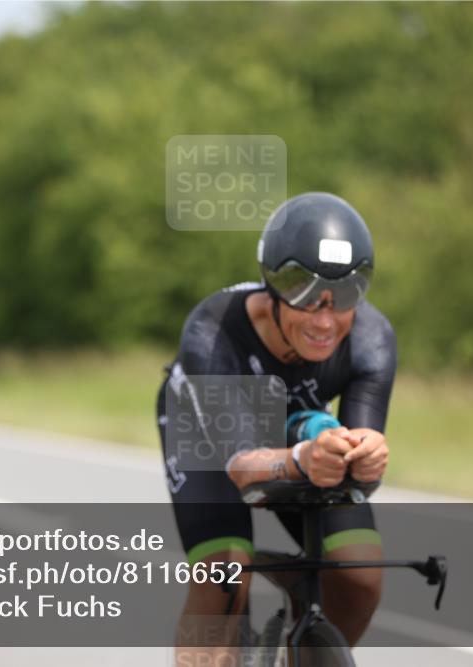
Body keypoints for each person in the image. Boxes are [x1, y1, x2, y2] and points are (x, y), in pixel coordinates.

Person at [156, 192, 395, 663]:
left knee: (360, 575)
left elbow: (363, 469)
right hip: (207, 427)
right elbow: (244, 470)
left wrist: (366, 456)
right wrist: (305, 460)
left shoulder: (372, 340)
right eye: (307, 298)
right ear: (275, 290)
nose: (325, 321)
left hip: (297, 431)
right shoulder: (213, 329)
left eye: (344, 296)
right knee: (224, 575)